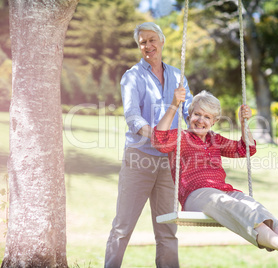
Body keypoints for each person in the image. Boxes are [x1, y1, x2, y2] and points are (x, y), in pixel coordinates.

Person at [151, 90, 278, 267]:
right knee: (236, 207)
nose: (201, 120)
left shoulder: (215, 139)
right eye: (197, 114)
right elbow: (159, 140)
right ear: (189, 115)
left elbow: (246, 149)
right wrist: (175, 105)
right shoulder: (180, 137)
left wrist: (244, 123)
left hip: (224, 191)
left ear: (214, 122)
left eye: (207, 117)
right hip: (197, 195)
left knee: (255, 207)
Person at [105, 22, 193, 268]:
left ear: (162, 41)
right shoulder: (132, 76)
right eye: (142, 42)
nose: (148, 45)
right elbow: (132, 116)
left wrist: (212, 117)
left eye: (152, 40)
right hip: (139, 158)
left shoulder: (178, 76)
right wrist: (153, 134)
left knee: (167, 230)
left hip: (168, 162)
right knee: (122, 227)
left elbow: (192, 111)